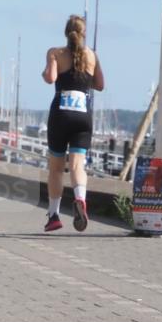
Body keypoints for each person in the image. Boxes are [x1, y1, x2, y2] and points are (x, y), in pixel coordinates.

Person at [42, 15, 105, 232]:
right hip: (82, 115)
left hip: (60, 114)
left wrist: (49, 66)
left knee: (56, 168)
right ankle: (80, 199)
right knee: (78, 164)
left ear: (66, 32)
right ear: (83, 33)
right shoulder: (92, 55)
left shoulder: (55, 53)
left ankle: (54, 215)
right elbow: (100, 85)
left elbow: (50, 78)